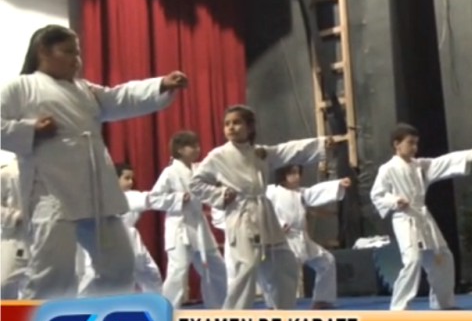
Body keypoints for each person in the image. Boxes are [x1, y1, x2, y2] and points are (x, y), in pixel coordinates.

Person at [0, 24, 187, 300]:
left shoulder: (84, 90)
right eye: (68, 52)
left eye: (77, 53)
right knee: (53, 276)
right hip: (52, 192)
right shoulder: (22, 87)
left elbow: (120, 97)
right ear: (43, 51)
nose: (76, 59)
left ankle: (84, 315)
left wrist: (160, 85)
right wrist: (31, 129)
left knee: (120, 267)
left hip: (96, 192)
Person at [190, 104, 341, 310]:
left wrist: (320, 144)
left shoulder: (259, 153)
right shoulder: (218, 156)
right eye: (227, 124)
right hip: (241, 214)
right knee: (246, 270)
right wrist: (220, 195)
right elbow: (195, 183)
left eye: (236, 123)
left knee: (285, 263)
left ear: (250, 127)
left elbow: (286, 151)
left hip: (264, 213)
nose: (231, 127)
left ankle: (282, 315)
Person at [370, 123, 472, 310]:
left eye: (416, 143)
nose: (414, 147)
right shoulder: (388, 168)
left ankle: (443, 302)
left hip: (423, 216)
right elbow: (377, 195)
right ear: (397, 144)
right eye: (410, 143)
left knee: (443, 257)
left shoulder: (420, 165)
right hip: (404, 218)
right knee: (413, 260)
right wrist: (395, 201)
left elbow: (443, 162)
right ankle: (399, 308)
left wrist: (470, 154)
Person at [149, 131, 227, 309]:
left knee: (216, 268)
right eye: (192, 146)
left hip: (199, 227)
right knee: (178, 271)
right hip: (180, 227)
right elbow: (154, 198)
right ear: (180, 149)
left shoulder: (198, 170)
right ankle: (166, 313)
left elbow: (211, 186)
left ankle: (218, 309)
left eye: (198, 145)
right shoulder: (170, 172)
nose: (197, 149)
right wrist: (177, 199)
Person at [267, 164, 350, 309]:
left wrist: (338, 184)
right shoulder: (272, 192)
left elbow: (315, 192)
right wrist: (278, 225)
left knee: (327, 261)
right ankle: (275, 306)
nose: (297, 177)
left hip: (301, 238)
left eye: (298, 173)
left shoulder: (300, 193)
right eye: (292, 173)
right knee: (283, 275)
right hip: (284, 240)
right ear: (282, 175)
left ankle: (322, 300)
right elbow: (264, 211)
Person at [76, 163, 164, 295]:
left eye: (132, 178)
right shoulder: (104, 197)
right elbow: (151, 199)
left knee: (149, 273)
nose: (131, 182)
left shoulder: (131, 196)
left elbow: (151, 199)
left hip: (131, 241)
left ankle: (155, 303)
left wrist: (168, 187)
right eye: (126, 178)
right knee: (93, 275)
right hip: (105, 241)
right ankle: (80, 305)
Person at [1, 151, 29, 299]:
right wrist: (15, 216)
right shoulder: (7, 172)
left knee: (43, 288)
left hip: (47, 236)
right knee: (4, 283)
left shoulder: (51, 170)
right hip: (15, 237)